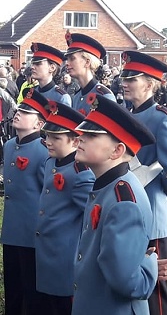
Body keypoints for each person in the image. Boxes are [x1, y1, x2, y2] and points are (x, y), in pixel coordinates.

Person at [71, 94, 158, 314]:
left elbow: (129, 282)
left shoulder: (123, 202)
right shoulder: (108, 186)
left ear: (117, 151)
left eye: (91, 135)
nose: (80, 137)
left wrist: (151, 264)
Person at [120, 50, 167, 315]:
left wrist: (150, 176)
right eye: (124, 77)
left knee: (154, 293)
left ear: (149, 83)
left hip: (152, 215)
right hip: (124, 208)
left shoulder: (162, 118)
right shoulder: (123, 114)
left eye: (132, 78)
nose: (124, 82)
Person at [35, 102, 95, 315]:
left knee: (63, 307)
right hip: (46, 254)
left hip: (64, 258)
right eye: (47, 136)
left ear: (75, 140)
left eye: (55, 138)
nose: (48, 142)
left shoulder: (81, 174)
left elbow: (91, 220)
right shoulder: (52, 162)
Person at [1, 88, 50, 315]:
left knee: (31, 289)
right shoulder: (10, 145)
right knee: (12, 284)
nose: (18, 114)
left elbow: (47, 193)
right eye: (19, 109)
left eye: (26, 112)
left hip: (32, 231)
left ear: (39, 124)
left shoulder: (43, 151)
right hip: (11, 229)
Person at [63, 30, 116, 115]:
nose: (67, 63)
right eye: (67, 59)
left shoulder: (104, 96)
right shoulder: (76, 97)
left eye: (72, 58)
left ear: (87, 62)